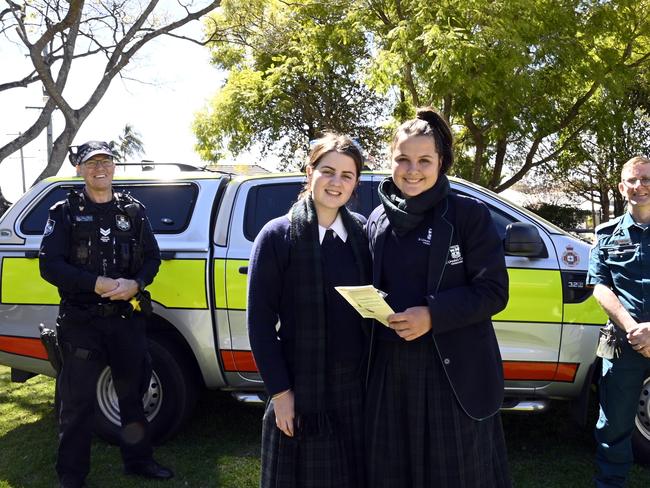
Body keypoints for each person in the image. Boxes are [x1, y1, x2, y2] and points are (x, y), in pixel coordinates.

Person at [365, 108, 511, 487]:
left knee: (456, 474)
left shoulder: (468, 215)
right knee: (394, 471)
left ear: (441, 162)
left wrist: (431, 315)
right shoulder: (377, 220)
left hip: (453, 370)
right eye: (403, 159)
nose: (412, 170)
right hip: (390, 369)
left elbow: (493, 292)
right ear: (391, 160)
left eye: (424, 160)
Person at [39, 140, 173, 488]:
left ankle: (139, 461)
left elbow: (152, 258)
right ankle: (71, 476)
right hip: (81, 321)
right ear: (80, 169)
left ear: (114, 167)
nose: (100, 168)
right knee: (78, 402)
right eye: (92, 163)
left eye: (106, 161)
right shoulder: (63, 212)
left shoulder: (133, 211)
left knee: (133, 396)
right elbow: (49, 265)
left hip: (125, 319)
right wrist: (93, 283)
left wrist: (137, 282)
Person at [247, 133, 371, 488]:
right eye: (328, 171)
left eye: (347, 175)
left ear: (355, 183)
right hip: (300, 387)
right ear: (309, 172)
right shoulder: (276, 236)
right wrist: (281, 394)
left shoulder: (363, 234)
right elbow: (259, 325)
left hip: (355, 387)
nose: (336, 182)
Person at [587, 155, 650, 487]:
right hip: (624, 344)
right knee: (613, 426)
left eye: (646, 179)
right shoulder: (606, 235)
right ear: (622, 186)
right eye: (632, 180)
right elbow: (600, 286)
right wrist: (633, 328)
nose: (639, 186)